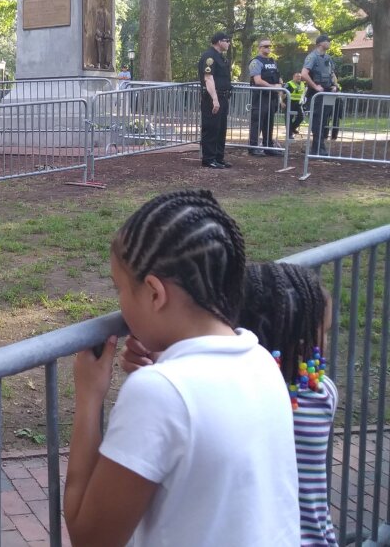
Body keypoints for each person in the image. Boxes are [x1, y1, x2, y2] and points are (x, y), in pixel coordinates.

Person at [64, 189, 299, 546]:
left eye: (120, 289)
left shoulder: (160, 393)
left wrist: (88, 398)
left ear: (155, 294)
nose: (120, 305)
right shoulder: (261, 361)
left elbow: (90, 538)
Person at [122, 261, 337, 546]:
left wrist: (160, 361)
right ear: (302, 343)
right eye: (323, 334)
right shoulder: (322, 394)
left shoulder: (238, 396)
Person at [198, 31, 233, 169]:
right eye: (227, 40)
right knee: (211, 128)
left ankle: (219, 157)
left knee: (221, 128)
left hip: (223, 96)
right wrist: (215, 99)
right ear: (219, 41)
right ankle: (209, 158)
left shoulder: (220, 57)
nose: (229, 43)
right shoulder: (209, 57)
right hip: (213, 97)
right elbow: (208, 78)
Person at [301, 35, 340, 156]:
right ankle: (317, 148)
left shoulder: (328, 58)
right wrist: (315, 86)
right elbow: (304, 74)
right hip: (316, 94)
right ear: (320, 43)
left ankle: (320, 146)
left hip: (327, 92)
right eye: (327, 41)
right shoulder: (312, 57)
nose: (329, 43)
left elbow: (332, 74)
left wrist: (335, 85)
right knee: (317, 120)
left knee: (324, 120)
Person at [248, 39, 284, 156]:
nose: (268, 48)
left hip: (271, 97)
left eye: (269, 46)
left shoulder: (272, 61)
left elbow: (277, 77)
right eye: (265, 46)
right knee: (257, 122)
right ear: (259, 48)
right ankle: (253, 147)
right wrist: (273, 86)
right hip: (261, 96)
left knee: (269, 122)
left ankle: (268, 146)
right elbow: (257, 80)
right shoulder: (256, 62)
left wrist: (279, 85)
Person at [285, 72, 307, 138]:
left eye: (300, 76)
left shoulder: (302, 84)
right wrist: (282, 102)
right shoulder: (289, 84)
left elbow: (303, 92)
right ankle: (289, 134)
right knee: (289, 118)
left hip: (298, 103)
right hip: (289, 102)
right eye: (297, 76)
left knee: (301, 116)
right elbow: (282, 92)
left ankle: (292, 128)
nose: (299, 78)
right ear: (293, 77)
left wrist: (303, 100)